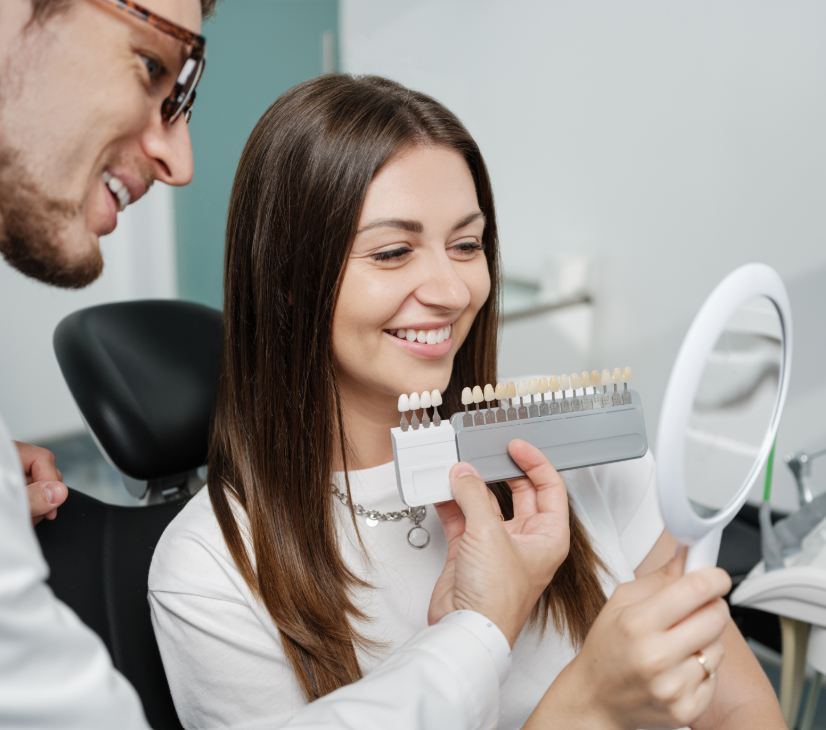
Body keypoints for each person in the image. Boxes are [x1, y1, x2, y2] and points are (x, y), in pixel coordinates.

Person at [148, 74, 785, 729]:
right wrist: (588, 706)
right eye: (394, 252)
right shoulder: (210, 574)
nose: (453, 291)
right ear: (286, 280)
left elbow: (737, 702)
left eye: (467, 244)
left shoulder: (582, 456)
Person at [0, 1, 571, 728]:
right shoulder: (210, 571)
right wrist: (551, 683)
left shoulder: (555, 471)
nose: (180, 160)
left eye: (468, 245)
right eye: (150, 65)